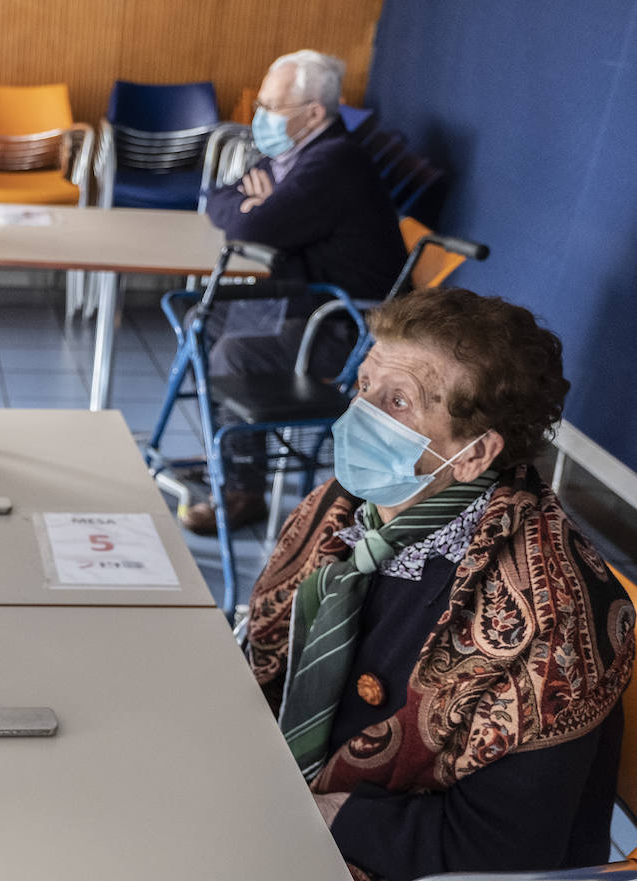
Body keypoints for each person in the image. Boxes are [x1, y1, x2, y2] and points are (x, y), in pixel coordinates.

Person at [246, 288, 634, 881]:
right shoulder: (349, 506)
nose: (360, 414)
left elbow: (507, 853)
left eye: (397, 401)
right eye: (365, 385)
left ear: (476, 455)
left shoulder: (546, 618)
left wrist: (317, 812)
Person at [183, 49, 406, 534]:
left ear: (314, 113)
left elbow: (260, 225)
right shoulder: (293, 150)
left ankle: (244, 491)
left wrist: (256, 211)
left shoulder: (334, 163)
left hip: (350, 326)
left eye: (273, 108)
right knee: (203, 320)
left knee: (236, 353)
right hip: (309, 302)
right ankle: (228, 445)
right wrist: (250, 207)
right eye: (261, 104)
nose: (259, 118)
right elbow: (221, 198)